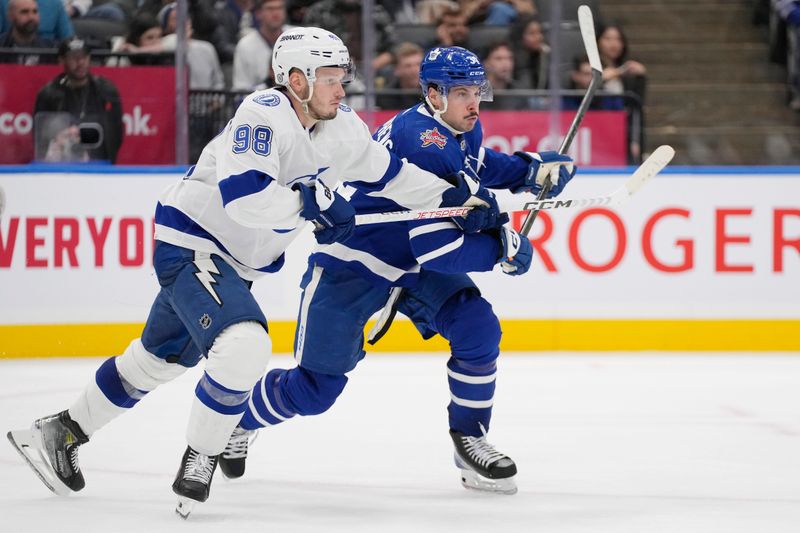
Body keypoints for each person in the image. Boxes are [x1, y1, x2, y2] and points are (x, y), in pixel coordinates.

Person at [7, 27, 494, 517]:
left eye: (342, 77)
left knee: (157, 361)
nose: (342, 89)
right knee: (245, 345)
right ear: (297, 80)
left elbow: (390, 174)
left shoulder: (340, 125)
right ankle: (202, 456)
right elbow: (244, 199)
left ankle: (59, 431)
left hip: (235, 265)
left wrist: (454, 202)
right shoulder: (261, 116)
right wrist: (311, 202)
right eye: (330, 78)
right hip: (192, 247)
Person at [219, 46, 576, 495]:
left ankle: (470, 439)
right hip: (355, 266)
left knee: (477, 327)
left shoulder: (459, 124)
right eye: (460, 92)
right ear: (432, 93)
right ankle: (235, 422)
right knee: (316, 388)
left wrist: (528, 171)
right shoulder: (417, 140)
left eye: (476, 92)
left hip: (412, 262)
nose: (473, 103)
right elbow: (439, 248)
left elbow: (473, 166)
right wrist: (500, 249)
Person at [33, 37, 124, 163]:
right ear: (62, 60)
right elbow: (40, 137)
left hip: (98, 163)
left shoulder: (105, 90)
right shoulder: (49, 94)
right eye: (73, 58)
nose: (80, 62)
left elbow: (115, 133)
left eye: (84, 57)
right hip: (61, 164)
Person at [232, 0, 291, 91]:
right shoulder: (245, 45)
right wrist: (267, 83)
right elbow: (240, 92)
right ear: (258, 13)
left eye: (280, 8)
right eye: (270, 9)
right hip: (259, 102)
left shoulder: (296, 36)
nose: (276, 13)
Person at [0, 0, 54, 65]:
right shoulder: (2, 47)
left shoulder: (52, 50)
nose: (31, 17)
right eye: (24, 12)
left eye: (35, 12)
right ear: (10, 16)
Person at [376, 41, 424, 110]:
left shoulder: (435, 94)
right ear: (397, 70)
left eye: (418, 64)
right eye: (408, 66)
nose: (414, 70)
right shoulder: (386, 97)